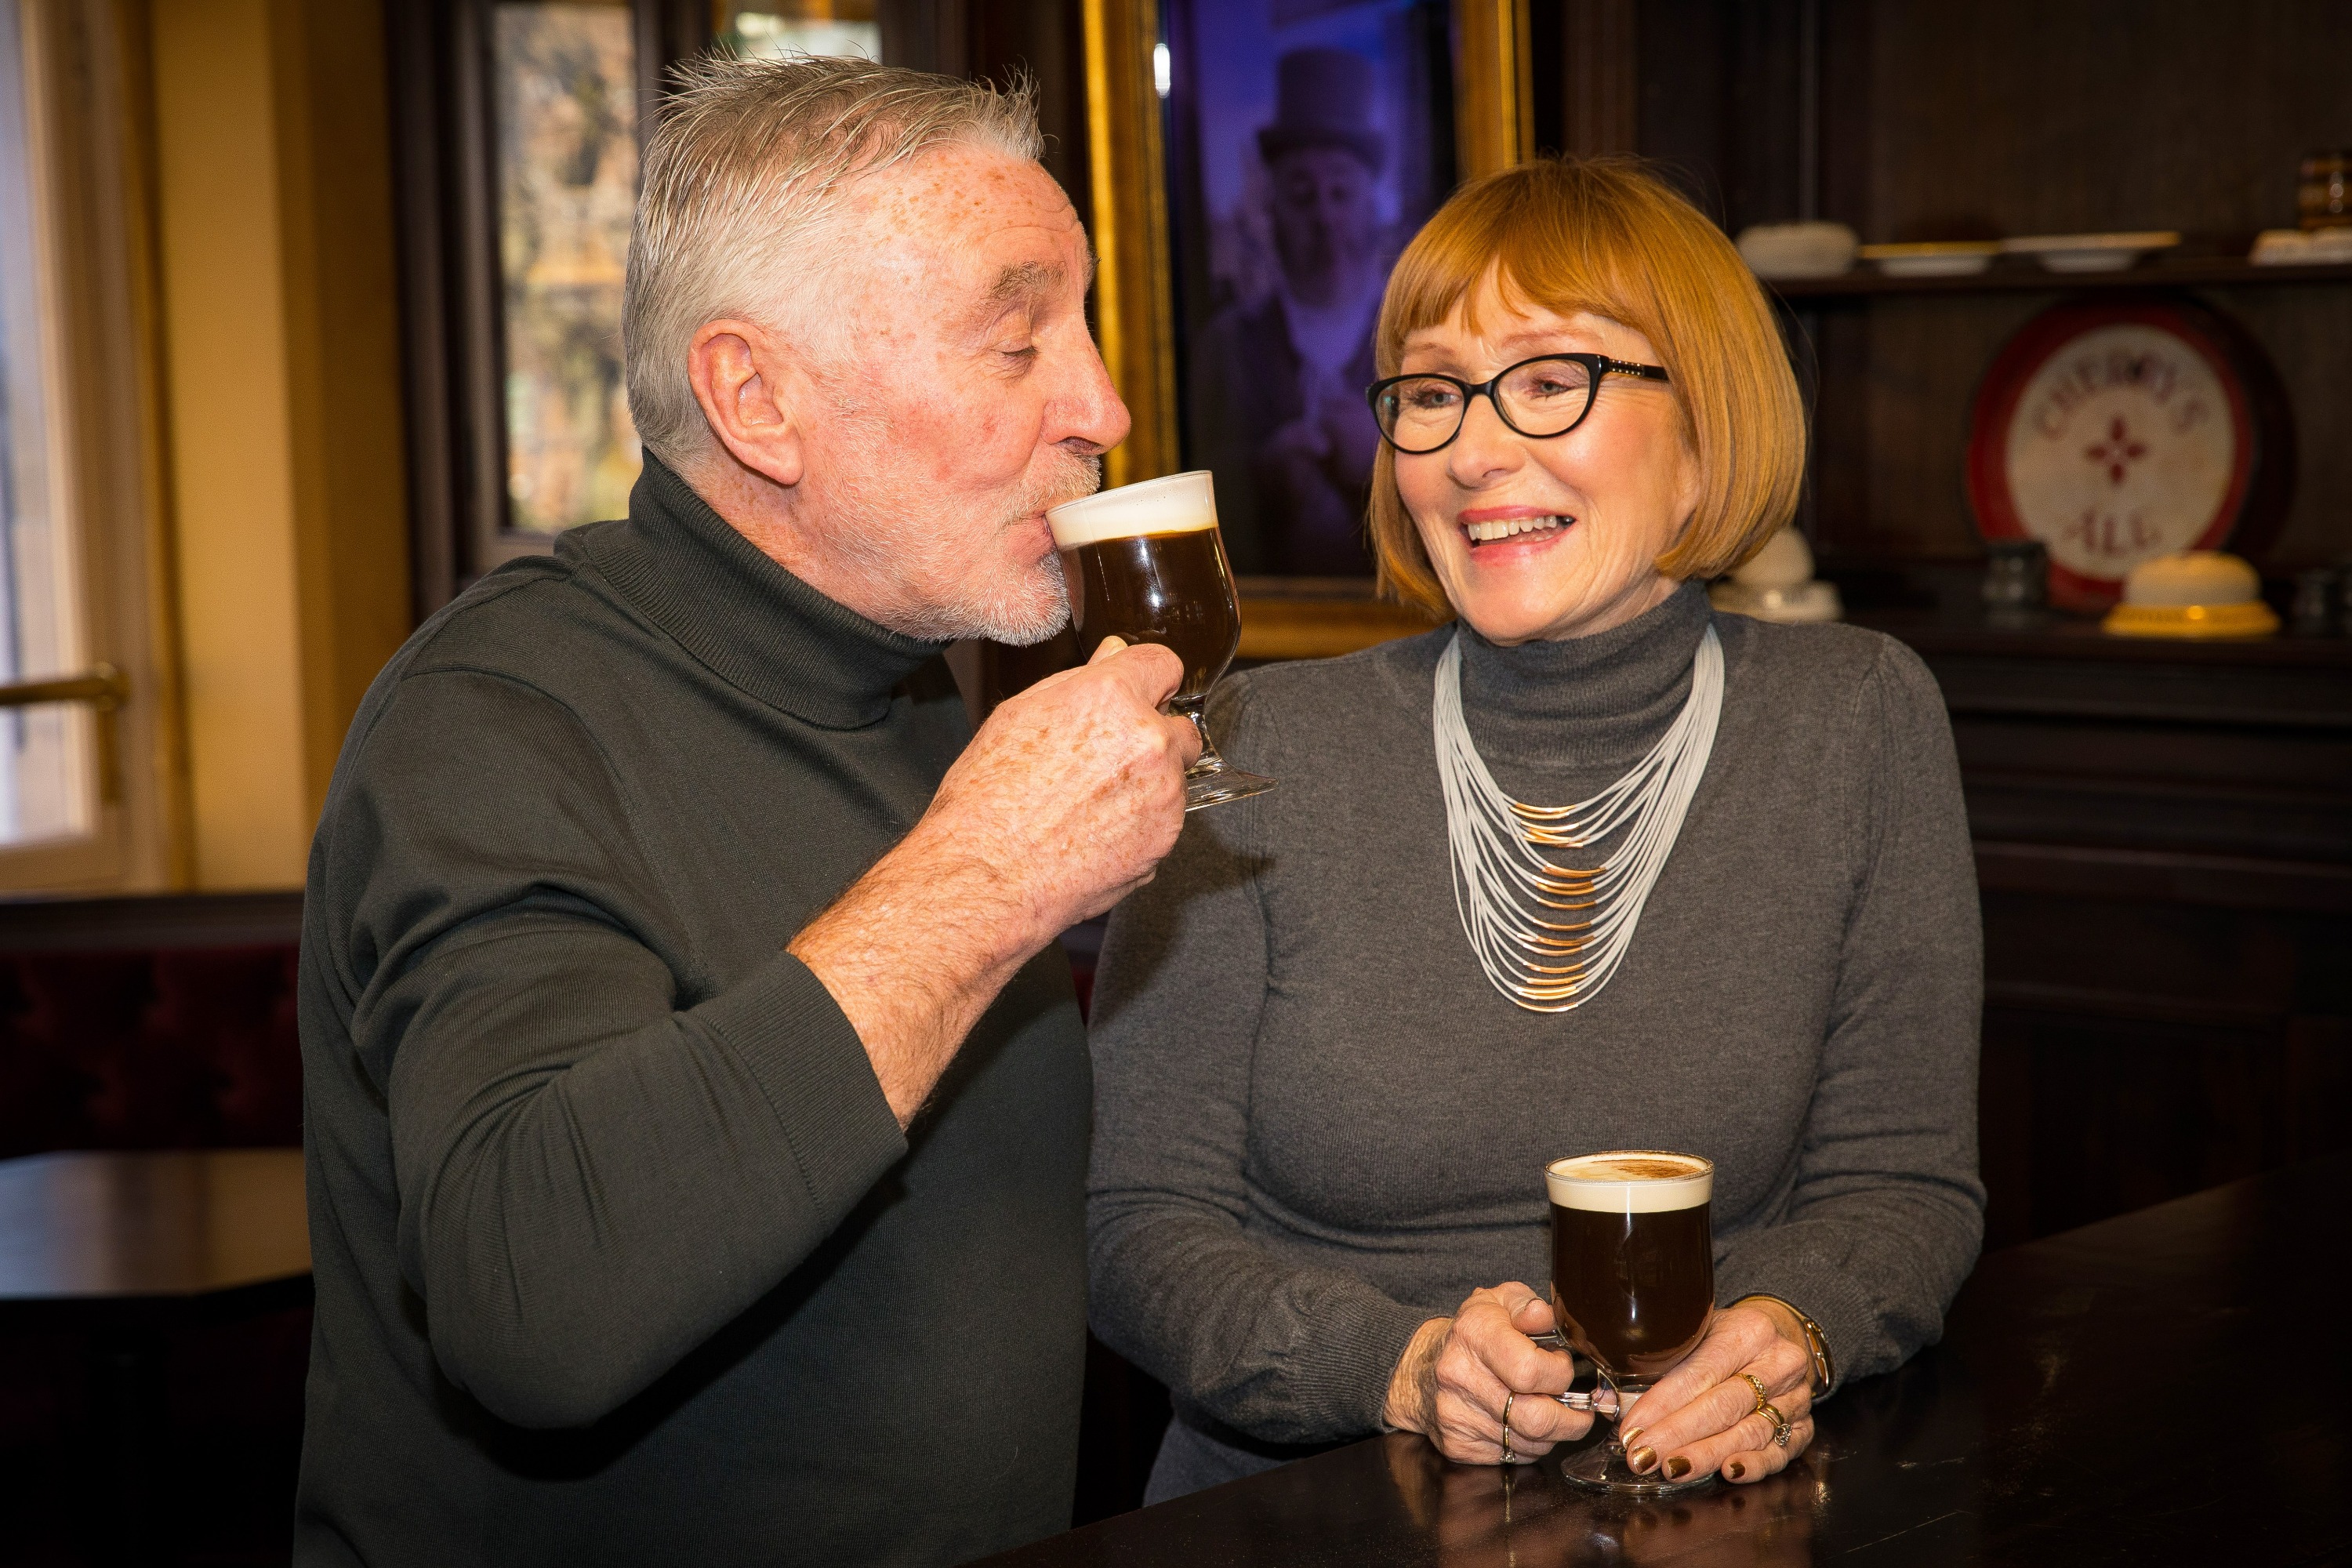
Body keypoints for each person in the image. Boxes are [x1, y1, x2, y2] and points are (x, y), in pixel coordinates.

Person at [294, 57, 1198, 1567]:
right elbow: (535, 1307)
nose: (1101, 405)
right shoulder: (498, 718)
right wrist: (983, 881)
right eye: (1017, 338)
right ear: (757, 398)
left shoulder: (907, 688)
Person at [1088, 157, 1984, 1501]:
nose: (1472, 448)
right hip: (1297, 1510)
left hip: (1703, 1506)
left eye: (1552, 379)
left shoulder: (1857, 719)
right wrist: (1393, 1365)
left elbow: (1903, 1185)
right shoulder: (1257, 743)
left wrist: (1788, 1334)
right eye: (1433, 392)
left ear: (1705, 426)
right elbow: (1134, 1226)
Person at [1189, 47, 1388, 575]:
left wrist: (1384, 466)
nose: (1325, 217)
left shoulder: (1420, 338)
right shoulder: (1228, 348)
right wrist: (1262, 480)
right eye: (1302, 196)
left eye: (1341, 193)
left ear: (1371, 207)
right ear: (1272, 211)